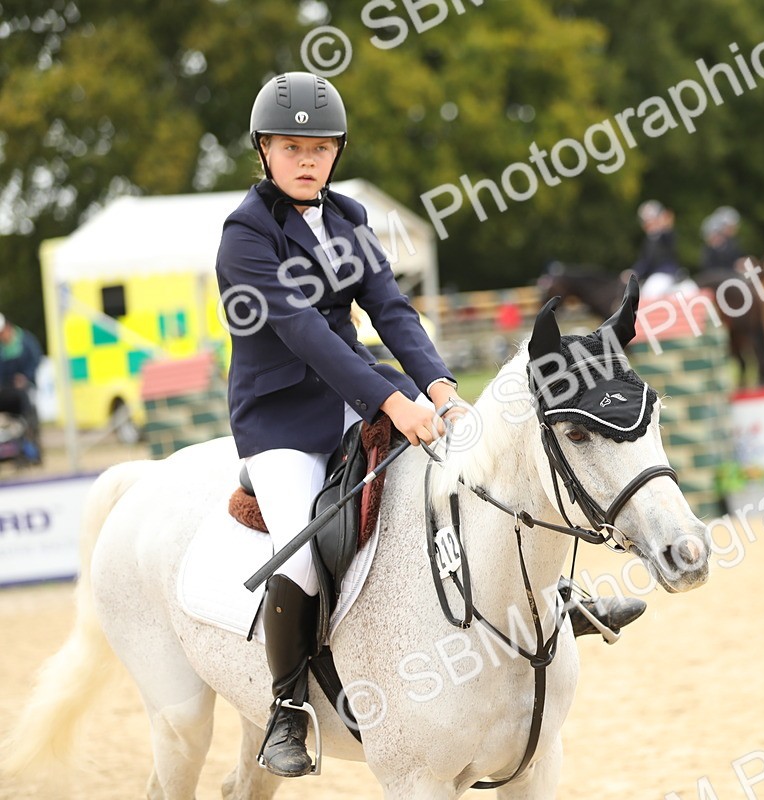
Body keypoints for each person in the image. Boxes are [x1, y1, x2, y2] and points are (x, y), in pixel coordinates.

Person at [218, 72, 642, 779]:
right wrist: (393, 404)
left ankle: (557, 601)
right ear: (264, 151)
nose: (306, 160)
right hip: (284, 421)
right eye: (290, 147)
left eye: (319, 148)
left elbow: (390, 311)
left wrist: (441, 389)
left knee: (475, 482)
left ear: (336, 153)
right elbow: (305, 336)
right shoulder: (245, 236)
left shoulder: (350, 219)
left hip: (364, 397)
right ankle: (287, 707)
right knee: (299, 553)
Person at [0, 313, 43, 463]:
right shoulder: (1, 348)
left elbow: (36, 359)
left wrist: (25, 377)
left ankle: (32, 451)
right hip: (7, 390)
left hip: (26, 388)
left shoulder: (25, 340)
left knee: (29, 416)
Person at [630, 200, 682, 297]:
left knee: (650, 292)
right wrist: (633, 272)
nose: (649, 223)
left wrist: (666, 226)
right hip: (652, 276)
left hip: (666, 274)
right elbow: (644, 262)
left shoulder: (665, 235)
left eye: (651, 219)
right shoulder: (648, 240)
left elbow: (668, 234)